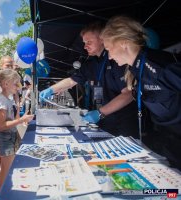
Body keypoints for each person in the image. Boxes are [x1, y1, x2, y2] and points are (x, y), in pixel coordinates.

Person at [100, 15, 181, 169]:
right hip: (165, 140)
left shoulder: (160, 65)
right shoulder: (135, 70)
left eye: (109, 49)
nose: (109, 56)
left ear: (123, 43)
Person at [39, 21, 139, 138]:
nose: (85, 46)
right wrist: (51, 89)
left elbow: (128, 94)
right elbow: (72, 80)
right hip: (104, 122)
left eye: (89, 42)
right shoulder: (90, 64)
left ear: (102, 40)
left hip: (124, 123)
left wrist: (100, 113)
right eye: (84, 43)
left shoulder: (117, 59)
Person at [0, 69, 34, 192]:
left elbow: (11, 120)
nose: (19, 87)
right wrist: (21, 120)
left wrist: (20, 115)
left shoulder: (6, 98)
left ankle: (4, 192)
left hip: (10, 135)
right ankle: (2, 194)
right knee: (6, 169)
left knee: (8, 168)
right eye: (16, 84)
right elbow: (1, 126)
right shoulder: (2, 101)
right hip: (5, 138)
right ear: (6, 84)